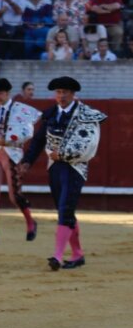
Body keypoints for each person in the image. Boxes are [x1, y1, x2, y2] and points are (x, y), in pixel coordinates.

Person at [20, 76, 107, 271]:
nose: (61, 96)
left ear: (73, 94)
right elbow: (39, 140)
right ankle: (77, 255)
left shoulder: (84, 114)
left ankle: (57, 256)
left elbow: (88, 142)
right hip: (55, 167)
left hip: (75, 167)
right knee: (64, 210)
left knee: (65, 208)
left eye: (65, 92)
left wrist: (65, 154)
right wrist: (27, 161)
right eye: (58, 92)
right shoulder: (50, 114)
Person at [0, 78, 40, 245]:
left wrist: (7, 141)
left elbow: (28, 133)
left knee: (15, 196)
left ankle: (30, 223)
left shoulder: (19, 110)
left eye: (0, 93)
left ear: (7, 93)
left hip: (13, 155)